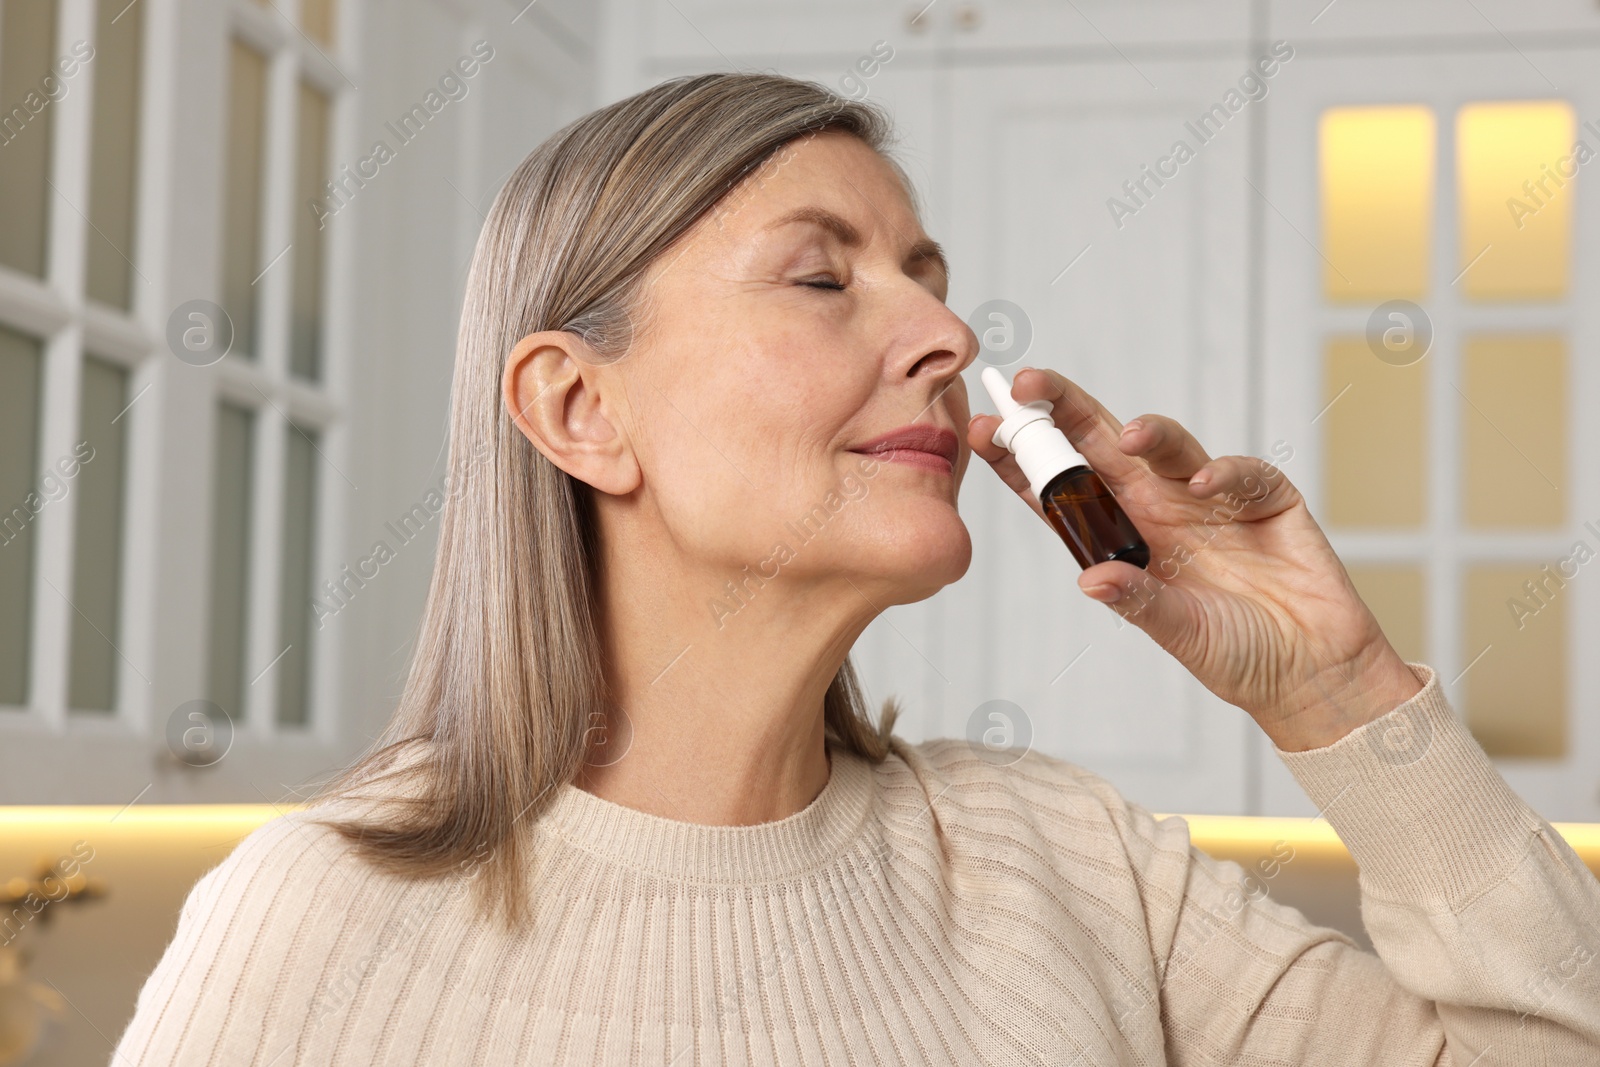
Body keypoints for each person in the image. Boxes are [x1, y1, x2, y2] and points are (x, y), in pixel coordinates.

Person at [113, 72, 1600, 1065]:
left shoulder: (1066, 866)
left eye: (931, 283)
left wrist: (1343, 693)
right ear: (580, 410)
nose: (947, 341)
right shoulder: (318, 920)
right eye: (825, 277)